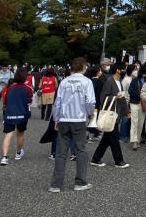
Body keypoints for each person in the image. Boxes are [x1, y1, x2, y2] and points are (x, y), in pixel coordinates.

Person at [50, 57, 96, 193]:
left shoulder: (64, 81)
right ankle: (80, 182)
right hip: (79, 119)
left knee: (61, 153)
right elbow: (90, 102)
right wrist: (90, 114)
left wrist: (56, 119)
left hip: (64, 119)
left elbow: (57, 102)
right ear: (83, 67)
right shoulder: (87, 82)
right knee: (81, 150)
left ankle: (56, 185)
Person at [89, 64, 129, 168]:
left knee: (106, 139)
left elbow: (122, 99)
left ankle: (96, 159)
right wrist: (115, 97)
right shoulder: (109, 81)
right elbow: (103, 98)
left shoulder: (119, 82)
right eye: (123, 68)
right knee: (114, 138)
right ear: (118, 70)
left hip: (116, 113)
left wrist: (127, 111)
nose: (125, 70)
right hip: (110, 113)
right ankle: (119, 161)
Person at [0, 69, 33, 166]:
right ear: (25, 78)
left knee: (8, 134)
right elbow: (29, 102)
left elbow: (5, 101)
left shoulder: (9, 88)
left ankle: (4, 157)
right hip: (22, 114)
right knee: (20, 134)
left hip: (9, 113)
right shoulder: (28, 88)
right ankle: (18, 153)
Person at [127, 65, 144, 151]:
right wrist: (140, 96)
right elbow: (130, 90)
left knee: (141, 122)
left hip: (144, 104)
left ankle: (137, 139)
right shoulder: (135, 80)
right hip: (135, 103)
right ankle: (134, 141)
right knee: (134, 122)